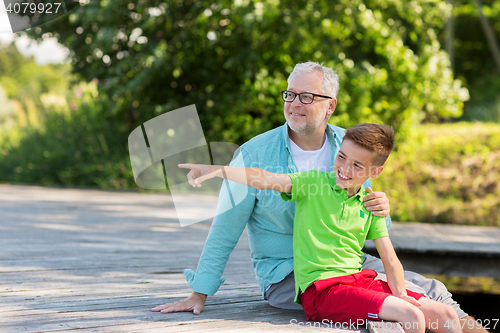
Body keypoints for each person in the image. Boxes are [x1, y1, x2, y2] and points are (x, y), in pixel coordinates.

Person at [152, 61, 485, 333]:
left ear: (330, 106)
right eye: (290, 94)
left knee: (433, 291)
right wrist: (200, 293)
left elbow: (368, 216)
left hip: (349, 265)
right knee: (399, 314)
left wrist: (383, 208)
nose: (294, 104)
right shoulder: (254, 153)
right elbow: (225, 229)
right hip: (292, 277)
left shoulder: (351, 146)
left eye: (306, 97)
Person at [176, 123, 462, 333]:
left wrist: (397, 293)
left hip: (357, 278)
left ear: (375, 173)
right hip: (321, 290)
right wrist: (218, 169)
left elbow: (390, 259)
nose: (345, 170)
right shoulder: (312, 184)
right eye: (341, 158)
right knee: (411, 316)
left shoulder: (368, 202)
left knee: (446, 316)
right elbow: (262, 177)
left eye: (357, 165)